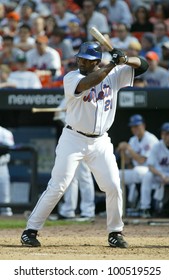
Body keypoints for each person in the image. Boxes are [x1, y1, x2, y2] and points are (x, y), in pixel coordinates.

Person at [20, 40, 148, 248]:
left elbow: (143, 66)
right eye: (80, 58)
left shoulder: (114, 74)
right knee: (58, 185)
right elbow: (89, 82)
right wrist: (112, 64)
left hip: (100, 141)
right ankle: (30, 230)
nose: (81, 62)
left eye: (87, 60)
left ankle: (115, 232)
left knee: (114, 185)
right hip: (74, 139)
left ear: (96, 61)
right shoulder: (72, 77)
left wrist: (125, 59)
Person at [53, 98, 95, 221]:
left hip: (85, 138)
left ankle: (88, 211)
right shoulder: (68, 97)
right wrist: (68, 116)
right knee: (70, 177)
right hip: (71, 138)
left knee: (84, 176)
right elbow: (57, 115)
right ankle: (68, 210)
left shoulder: (89, 95)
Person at [117, 114, 159, 210]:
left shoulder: (150, 139)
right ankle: (119, 208)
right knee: (116, 175)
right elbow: (128, 163)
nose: (134, 129)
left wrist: (128, 148)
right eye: (132, 127)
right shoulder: (133, 140)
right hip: (137, 171)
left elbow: (141, 160)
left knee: (138, 170)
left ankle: (145, 208)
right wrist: (123, 152)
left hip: (151, 171)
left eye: (136, 126)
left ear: (143, 125)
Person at [140, 122, 169, 218]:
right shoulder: (157, 146)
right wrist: (161, 175)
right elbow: (150, 166)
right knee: (147, 176)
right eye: (163, 134)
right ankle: (145, 208)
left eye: (167, 134)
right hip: (160, 175)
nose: (164, 136)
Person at [0, 125, 14, 216]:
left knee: (4, 197)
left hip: (1, 166)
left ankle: (7, 216)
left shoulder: (4, 132)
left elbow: (9, 147)